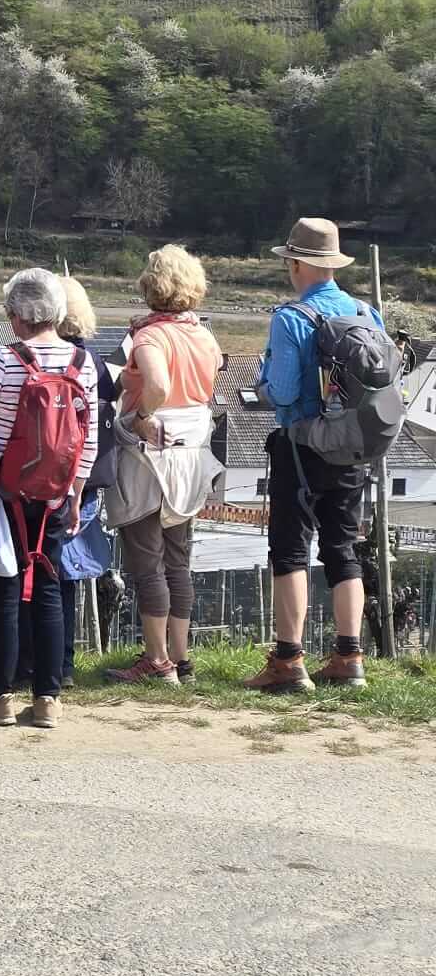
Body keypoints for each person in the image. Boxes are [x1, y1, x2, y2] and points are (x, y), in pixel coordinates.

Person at [0, 269, 99, 731]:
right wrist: (75, 493)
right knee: (49, 585)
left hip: (4, 491)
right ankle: (48, 698)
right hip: (54, 493)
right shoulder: (82, 362)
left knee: (4, 586)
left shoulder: (5, 359)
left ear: (17, 315)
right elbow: (88, 438)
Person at [250, 218, 381, 693]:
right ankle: (349, 657)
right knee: (343, 548)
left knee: (290, 550)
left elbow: (284, 392)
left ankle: (288, 661)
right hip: (352, 447)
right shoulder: (366, 312)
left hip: (302, 446)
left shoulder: (291, 318)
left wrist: (263, 386)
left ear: (296, 264)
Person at [105, 246, 224, 686]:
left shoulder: (150, 337)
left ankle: (156, 662)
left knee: (147, 561)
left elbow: (157, 384)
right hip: (192, 455)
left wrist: (141, 414)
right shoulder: (204, 336)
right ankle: (180, 657)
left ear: (150, 286)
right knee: (177, 560)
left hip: (150, 457)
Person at [46, 275, 118, 690]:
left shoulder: (41, 356)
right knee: (67, 573)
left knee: (34, 568)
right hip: (83, 481)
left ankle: (30, 659)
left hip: (40, 476)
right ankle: (64, 663)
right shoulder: (95, 363)